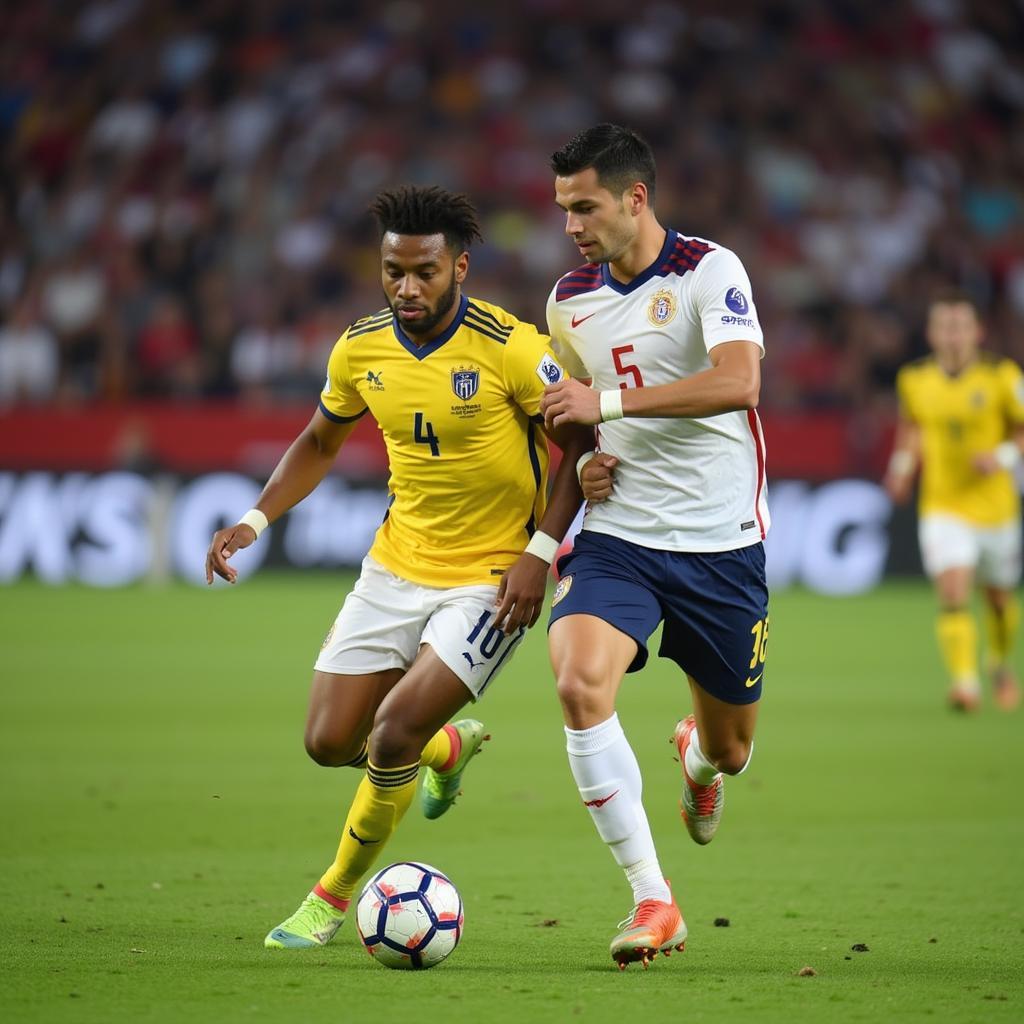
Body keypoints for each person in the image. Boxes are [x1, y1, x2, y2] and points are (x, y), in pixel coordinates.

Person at [206, 185, 591, 949]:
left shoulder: (511, 346)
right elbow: (320, 440)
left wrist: (539, 554)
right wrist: (255, 519)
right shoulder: (360, 347)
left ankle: (330, 897)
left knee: (387, 739)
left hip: (491, 580)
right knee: (327, 742)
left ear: (460, 268)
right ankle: (446, 747)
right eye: (393, 272)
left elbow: (578, 444)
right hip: (394, 566)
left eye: (424, 272)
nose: (406, 288)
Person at [537, 124, 770, 970]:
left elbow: (740, 381)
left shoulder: (712, 270)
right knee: (577, 679)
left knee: (733, 750)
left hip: (720, 546)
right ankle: (651, 897)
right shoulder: (568, 300)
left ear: (636, 197)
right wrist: (564, 503)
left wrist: (608, 409)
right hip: (619, 537)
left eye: (585, 206)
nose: (571, 225)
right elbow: (567, 422)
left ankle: (697, 758)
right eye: (563, 208)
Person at [885, 292, 1023, 712]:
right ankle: (965, 683)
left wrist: (1000, 457)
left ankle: (998, 662)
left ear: (977, 332)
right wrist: (901, 468)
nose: (953, 335)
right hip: (943, 506)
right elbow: (911, 428)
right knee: (954, 590)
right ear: (931, 333)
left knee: (998, 599)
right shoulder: (914, 380)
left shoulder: (1003, 376)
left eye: (961, 326)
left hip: (996, 507)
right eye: (945, 326)